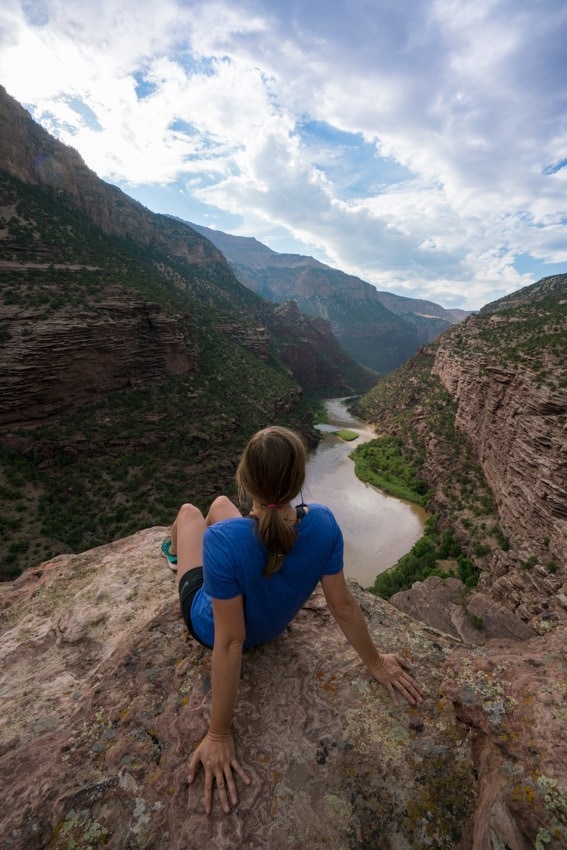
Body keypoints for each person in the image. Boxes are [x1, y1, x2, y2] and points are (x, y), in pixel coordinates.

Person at [161, 425, 423, 816]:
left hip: (207, 620)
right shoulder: (324, 523)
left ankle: (173, 553)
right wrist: (374, 662)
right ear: (299, 479)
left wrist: (219, 733)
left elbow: (231, 640)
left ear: (246, 480)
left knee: (188, 514)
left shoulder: (221, 542)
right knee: (218, 504)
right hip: (272, 622)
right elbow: (344, 606)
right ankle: (222, 543)